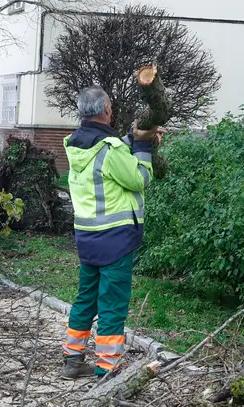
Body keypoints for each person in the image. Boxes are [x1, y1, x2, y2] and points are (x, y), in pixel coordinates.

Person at [60, 86, 161, 379]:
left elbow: (110, 153)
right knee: (113, 303)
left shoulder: (76, 143)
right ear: (105, 109)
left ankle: (72, 359)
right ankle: (107, 368)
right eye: (111, 107)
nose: (113, 110)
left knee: (85, 298)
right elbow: (139, 178)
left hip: (87, 237)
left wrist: (132, 138)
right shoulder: (109, 148)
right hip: (115, 238)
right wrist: (143, 147)